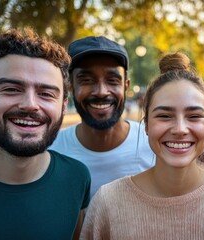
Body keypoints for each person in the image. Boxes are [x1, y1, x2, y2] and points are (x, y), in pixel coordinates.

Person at [80, 52, 204, 239]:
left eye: (193, 116)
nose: (180, 129)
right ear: (147, 125)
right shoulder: (107, 202)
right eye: (165, 116)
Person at [0, 28, 91, 239]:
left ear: (63, 106)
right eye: (11, 89)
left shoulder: (77, 178)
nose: (30, 105)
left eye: (46, 94)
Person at [50, 36, 155, 196]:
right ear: (70, 86)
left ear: (125, 86)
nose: (101, 91)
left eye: (112, 80)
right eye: (87, 80)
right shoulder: (51, 152)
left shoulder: (154, 146)